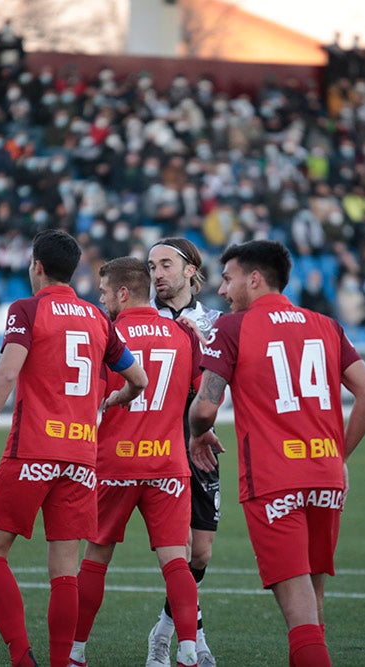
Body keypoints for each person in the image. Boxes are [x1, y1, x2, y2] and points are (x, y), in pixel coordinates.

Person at [188, 240, 365, 667]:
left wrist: (197, 433)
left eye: (227, 278)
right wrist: (339, 456)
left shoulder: (233, 328)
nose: (221, 290)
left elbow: (204, 407)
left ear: (254, 279)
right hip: (326, 478)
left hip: (275, 480)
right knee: (311, 607)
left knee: (299, 616)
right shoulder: (326, 325)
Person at [0, 230, 147, 667]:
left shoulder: (28, 309)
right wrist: (115, 400)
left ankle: (19, 656)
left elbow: (7, 374)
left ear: (36, 267)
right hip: (81, 459)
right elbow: (139, 378)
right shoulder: (96, 317)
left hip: (32, 449)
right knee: (64, 572)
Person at [70, 257, 206, 667]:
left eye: (105, 292)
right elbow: (201, 398)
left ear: (123, 293)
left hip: (114, 462)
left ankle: (75, 653)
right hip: (168, 464)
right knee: (175, 560)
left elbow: (89, 398)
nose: (102, 299)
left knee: (95, 557)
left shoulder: (106, 334)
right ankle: (187, 652)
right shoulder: (183, 334)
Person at [145, 237, 222, 667]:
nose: (157, 273)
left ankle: (164, 627)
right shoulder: (140, 316)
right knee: (179, 546)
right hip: (157, 444)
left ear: (190, 270)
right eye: (152, 266)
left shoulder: (214, 321)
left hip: (199, 440)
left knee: (201, 553)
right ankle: (198, 640)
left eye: (166, 265)